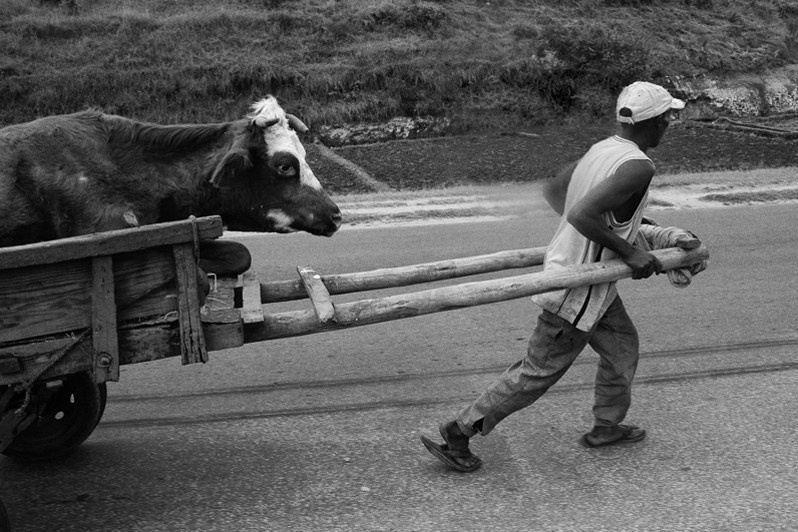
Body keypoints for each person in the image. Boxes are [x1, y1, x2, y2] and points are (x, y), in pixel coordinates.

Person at [421, 81, 686, 472]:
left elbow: (556, 195)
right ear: (657, 121)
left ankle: (607, 425)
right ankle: (458, 432)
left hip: (591, 281)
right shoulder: (639, 166)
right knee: (537, 373)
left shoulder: (604, 149)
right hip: (576, 289)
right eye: (668, 118)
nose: (669, 124)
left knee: (622, 345)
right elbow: (580, 215)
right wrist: (630, 252)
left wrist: (620, 233)